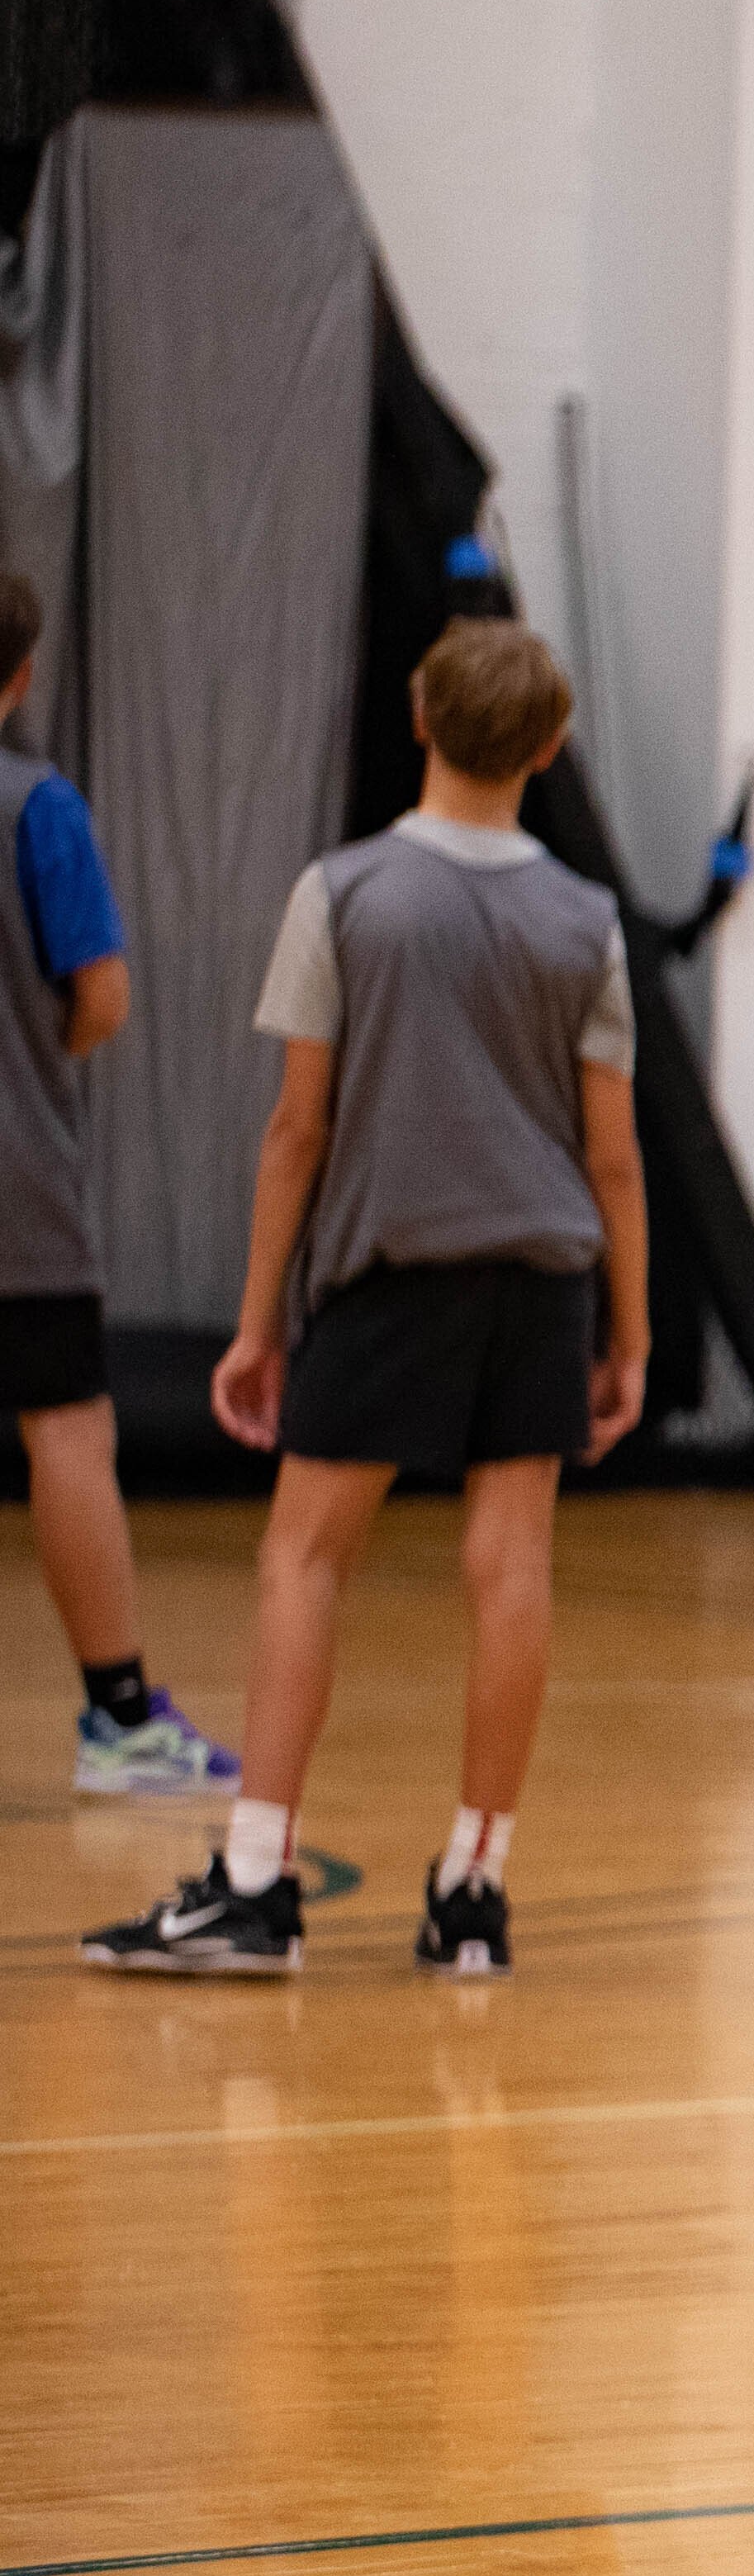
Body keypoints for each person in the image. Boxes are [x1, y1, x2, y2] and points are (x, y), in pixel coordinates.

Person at [79, 622, 643, 1979]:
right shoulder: (586, 919)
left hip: (394, 1270)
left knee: (304, 1555)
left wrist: (258, 1317)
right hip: (544, 1275)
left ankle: (258, 1882)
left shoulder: (345, 892)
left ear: (418, 715)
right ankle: (473, 1890)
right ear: (550, 748)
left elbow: (297, 1130)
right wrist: (628, 1327)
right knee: (510, 1570)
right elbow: (612, 1149)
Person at [0, 574, 236, 1800]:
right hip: (17, 1192)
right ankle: (119, 1720)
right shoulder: (40, 808)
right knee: (68, 1432)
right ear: (21, 678)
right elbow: (100, 998)